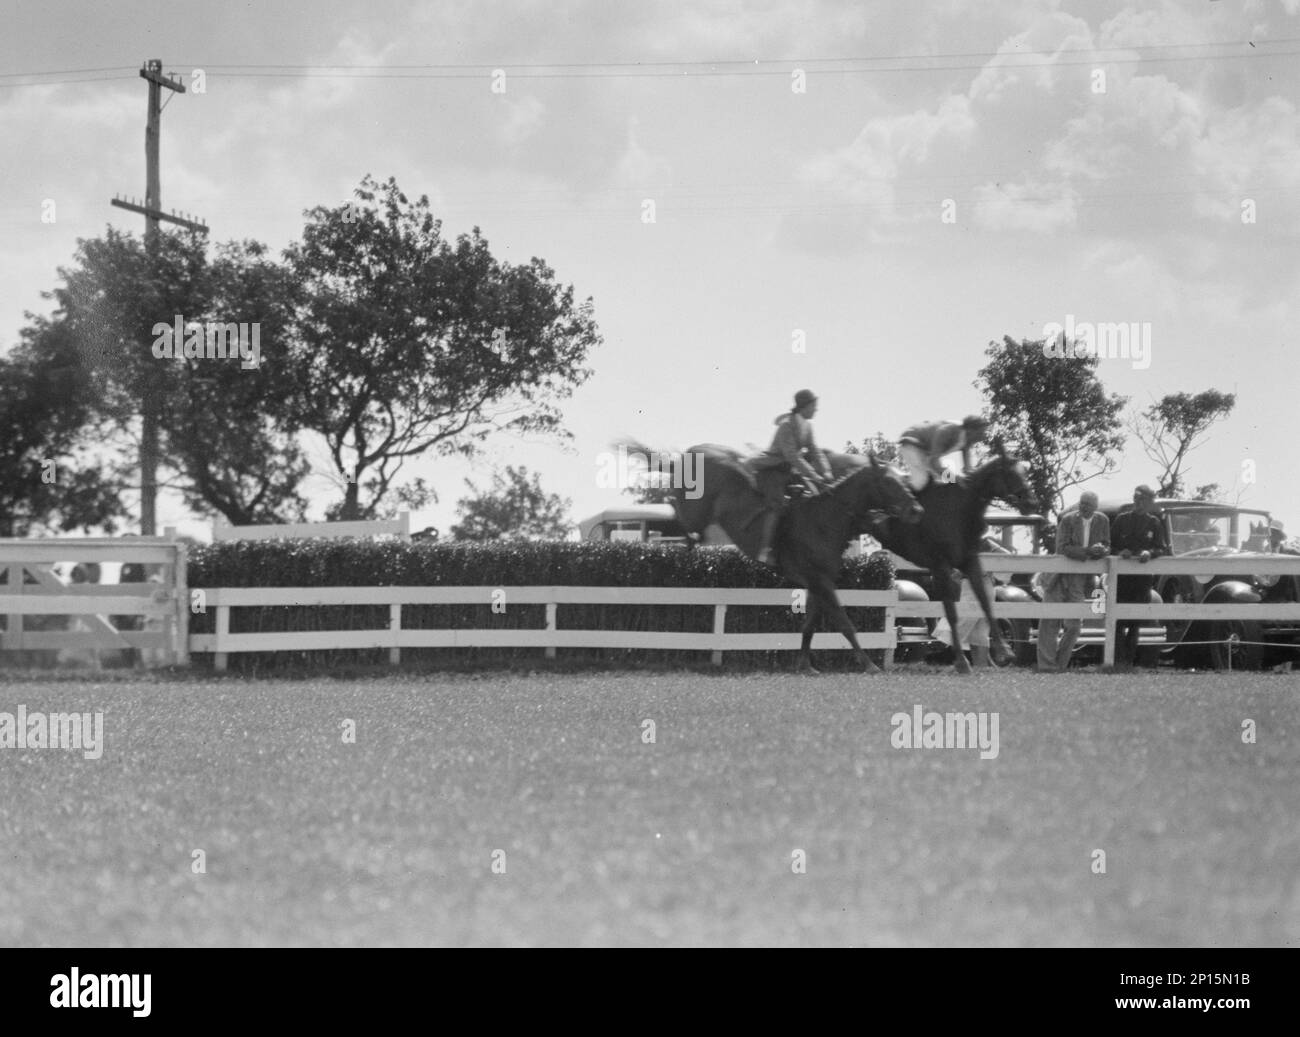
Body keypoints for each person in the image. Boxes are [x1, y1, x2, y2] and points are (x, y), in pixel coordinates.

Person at [751, 389, 834, 566]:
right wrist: (814, 475)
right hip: (772, 470)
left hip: (790, 471)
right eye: (813, 406)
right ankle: (766, 550)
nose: (816, 410)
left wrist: (827, 472)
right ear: (804, 407)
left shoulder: (808, 426)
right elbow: (792, 456)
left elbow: (815, 451)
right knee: (778, 505)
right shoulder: (786, 425)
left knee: (815, 498)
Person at [1037, 491, 1110, 672]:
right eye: (1082, 503)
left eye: (1088, 505)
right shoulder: (1068, 520)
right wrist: (1088, 551)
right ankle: (1046, 665)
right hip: (1057, 577)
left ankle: (1060, 665)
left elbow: (1108, 544)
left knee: (1074, 626)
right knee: (1050, 623)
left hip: (1079, 580)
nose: (1084, 507)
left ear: (1095, 507)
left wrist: (1101, 550)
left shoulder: (1102, 521)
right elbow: (1062, 548)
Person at [1109, 485, 1168, 668]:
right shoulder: (1121, 520)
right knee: (1117, 621)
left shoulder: (1154, 523)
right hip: (1121, 580)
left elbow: (1162, 548)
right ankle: (1116, 661)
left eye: (1143, 500)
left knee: (1135, 622)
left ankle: (1129, 661)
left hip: (1142, 580)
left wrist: (1149, 553)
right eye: (1136, 499)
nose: (1139, 503)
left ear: (1150, 502)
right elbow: (1109, 546)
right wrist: (1120, 552)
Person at [897, 415, 990, 492]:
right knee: (921, 480)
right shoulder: (948, 431)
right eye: (981, 432)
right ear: (971, 430)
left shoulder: (967, 443)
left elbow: (968, 471)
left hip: (924, 450)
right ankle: (897, 505)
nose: (984, 435)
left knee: (939, 481)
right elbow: (933, 463)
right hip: (911, 441)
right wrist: (954, 478)